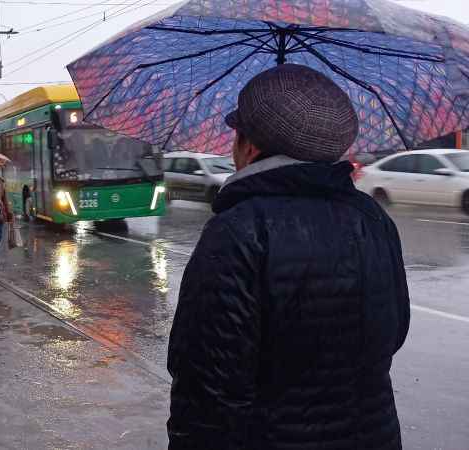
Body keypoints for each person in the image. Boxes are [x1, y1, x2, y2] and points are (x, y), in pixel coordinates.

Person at [167, 64, 410, 449]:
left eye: (235, 137)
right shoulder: (372, 216)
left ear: (250, 147)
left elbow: (209, 391)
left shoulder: (239, 229)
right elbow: (394, 332)